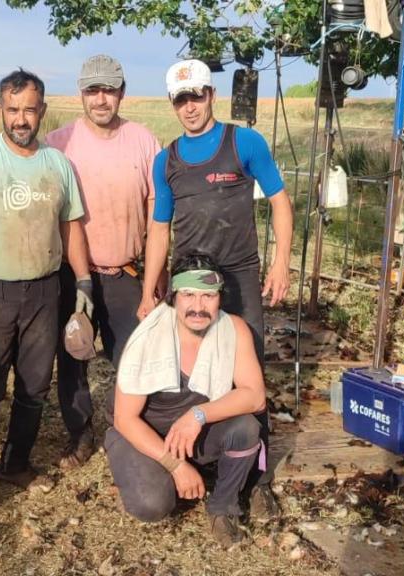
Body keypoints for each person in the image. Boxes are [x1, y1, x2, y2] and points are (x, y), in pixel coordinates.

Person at [137, 59, 294, 519]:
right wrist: (150, 290)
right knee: (191, 371)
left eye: (197, 95)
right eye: (181, 99)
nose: (190, 107)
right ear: (172, 103)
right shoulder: (166, 160)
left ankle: (258, 479)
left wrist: (281, 263)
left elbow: (281, 204)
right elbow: (159, 229)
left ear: (211, 94)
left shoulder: (244, 142)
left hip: (240, 275)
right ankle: (202, 456)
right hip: (191, 284)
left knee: (250, 374)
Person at [0, 69, 91, 500]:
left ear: (42, 110)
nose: (21, 119)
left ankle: (16, 462)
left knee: (35, 384)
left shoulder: (57, 164)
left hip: (45, 290)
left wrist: (82, 282)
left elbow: (71, 227)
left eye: (29, 109)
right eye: (12, 110)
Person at [44, 54, 162, 469]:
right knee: (73, 355)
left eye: (108, 89)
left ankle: (124, 425)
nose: (100, 99)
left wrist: (156, 272)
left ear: (122, 93)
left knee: (134, 357)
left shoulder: (144, 141)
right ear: (81, 93)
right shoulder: (57, 143)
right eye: (92, 90)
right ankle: (80, 433)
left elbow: (156, 209)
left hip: (124, 270)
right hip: (70, 275)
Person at [106, 254, 266, 547]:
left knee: (246, 428)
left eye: (208, 296)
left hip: (193, 430)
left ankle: (222, 507)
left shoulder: (233, 329)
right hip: (143, 433)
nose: (198, 307)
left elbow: (255, 397)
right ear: (173, 297)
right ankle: (150, 474)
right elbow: (125, 419)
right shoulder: (148, 338)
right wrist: (175, 465)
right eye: (189, 295)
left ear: (220, 298)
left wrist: (198, 415)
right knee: (152, 504)